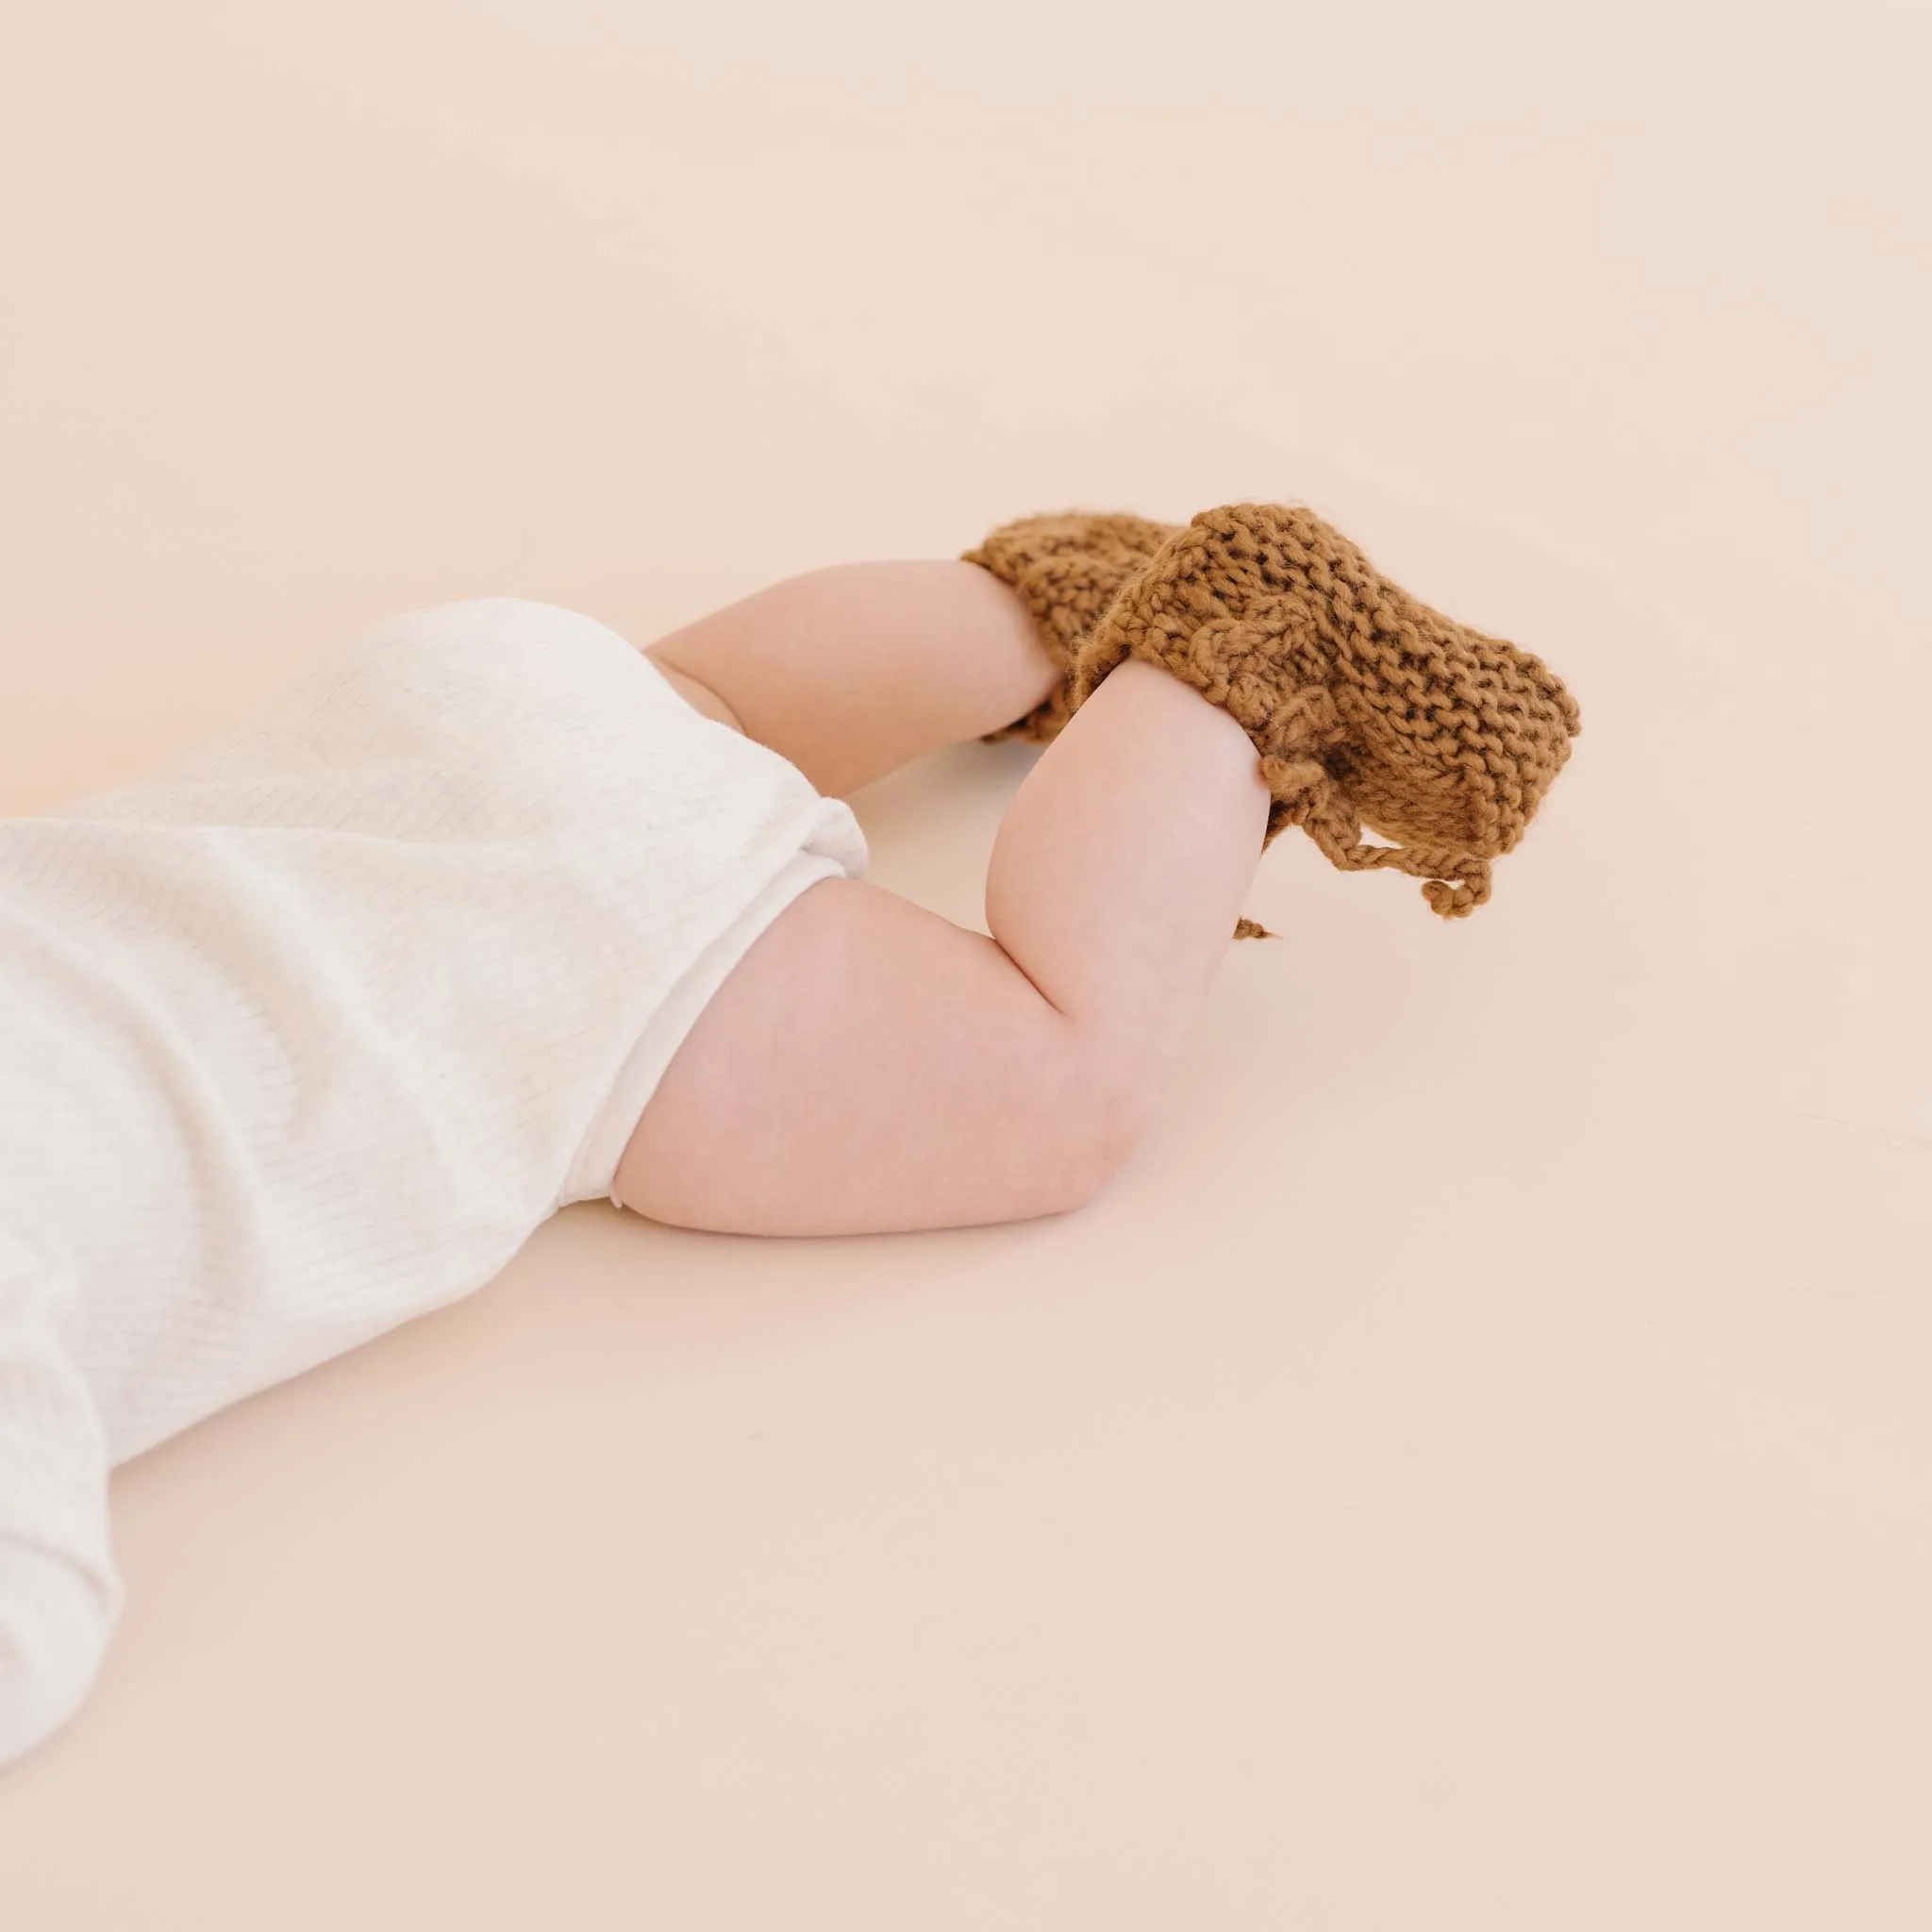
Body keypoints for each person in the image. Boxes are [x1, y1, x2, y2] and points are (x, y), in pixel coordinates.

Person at [0, 500, 1579, 1767]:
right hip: (422, 718)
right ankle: (1053, 610)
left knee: (1057, 1079)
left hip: (541, 980)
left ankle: (1242, 663)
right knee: (698, 706)